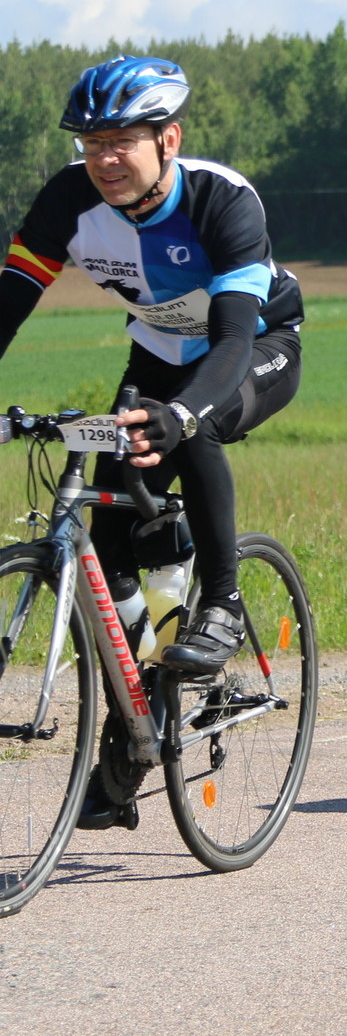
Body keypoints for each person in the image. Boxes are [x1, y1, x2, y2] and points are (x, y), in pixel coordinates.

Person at [0, 55, 305, 830]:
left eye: (121, 142)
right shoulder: (69, 201)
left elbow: (231, 339)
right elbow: (7, 300)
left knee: (193, 429)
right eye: (91, 143)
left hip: (253, 347)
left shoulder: (220, 201)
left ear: (168, 139)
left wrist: (186, 412)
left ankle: (222, 602)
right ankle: (140, 704)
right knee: (105, 531)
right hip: (158, 352)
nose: (103, 159)